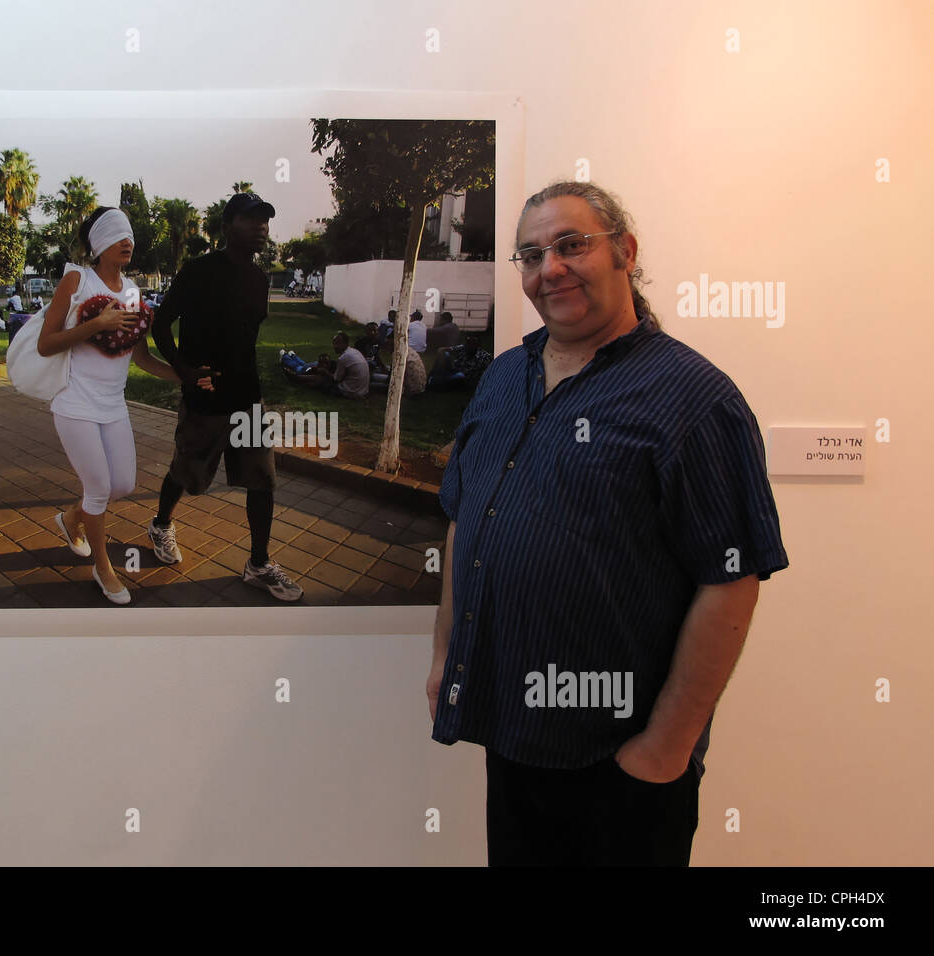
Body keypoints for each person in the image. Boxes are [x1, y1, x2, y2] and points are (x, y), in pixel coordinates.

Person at [429, 180, 789, 866]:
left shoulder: (694, 398)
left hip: (618, 764)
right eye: (531, 255)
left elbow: (733, 579)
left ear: (624, 251)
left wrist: (664, 748)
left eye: (571, 245)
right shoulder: (503, 379)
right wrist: (445, 656)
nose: (549, 269)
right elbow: (462, 518)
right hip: (511, 739)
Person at [149, 191, 304, 601]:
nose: (260, 228)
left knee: (262, 481)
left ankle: (259, 563)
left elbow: (245, 337)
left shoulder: (259, 279)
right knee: (186, 474)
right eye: (250, 219)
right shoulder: (198, 271)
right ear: (226, 226)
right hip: (205, 395)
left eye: (265, 221)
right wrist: (182, 369)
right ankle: (161, 524)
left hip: (247, 396)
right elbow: (161, 324)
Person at [37, 207, 183, 605]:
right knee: (99, 487)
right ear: (99, 242)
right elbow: (45, 344)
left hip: (113, 406)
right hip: (75, 403)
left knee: (123, 484)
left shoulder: (133, 291)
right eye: (118, 235)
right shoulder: (76, 280)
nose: (128, 242)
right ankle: (103, 568)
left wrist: (183, 377)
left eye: (130, 236)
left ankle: (71, 519)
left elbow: (142, 359)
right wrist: (95, 326)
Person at [282, 332, 369, 399]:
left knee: (322, 379)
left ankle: (297, 378)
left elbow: (336, 379)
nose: (335, 346)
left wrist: (325, 372)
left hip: (350, 392)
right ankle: (297, 377)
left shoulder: (343, 358)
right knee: (322, 375)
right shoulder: (354, 351)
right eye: (334, 343)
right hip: (363, 390)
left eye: (338, 343)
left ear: (346, 343)